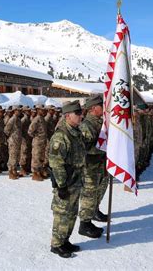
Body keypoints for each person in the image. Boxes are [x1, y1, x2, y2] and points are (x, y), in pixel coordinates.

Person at [48, 100, 86, 258]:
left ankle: (65, 240)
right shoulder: (61, 135)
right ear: (68, 116)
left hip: (76, 180)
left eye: (80, 113)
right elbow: (56, 164)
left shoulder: (75, 132)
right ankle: (56, 244)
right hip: (66, 182)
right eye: (77, 114)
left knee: (71, 213)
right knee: (62, 214)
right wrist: (62, 186)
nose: (80, 116)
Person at [78, 95, 108, 239]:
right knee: (89, 195)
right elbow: (84, 148)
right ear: (93, 108)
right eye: (101, 106)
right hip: (90, 167)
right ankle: (85, 223)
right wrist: (104, 148)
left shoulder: (101, 123)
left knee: (100, 189)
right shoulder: (87, 126)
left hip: (101, 165)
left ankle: (94, 211)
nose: (104, 109)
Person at [28, 104, 48, 181]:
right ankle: (35, 174)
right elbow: (30, 131)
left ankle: (39, 172)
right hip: (37, 142)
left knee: (41, 157)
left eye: (43, 110)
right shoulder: (36, 119)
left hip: (43, 142)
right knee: (36, 157)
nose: (43, 111)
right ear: (38, 110)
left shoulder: (42, 119)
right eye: (41, 110)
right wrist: (36, 137)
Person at [4, 105, 23, 179]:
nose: (20, 111)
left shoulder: (18, 119)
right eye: (18, 110)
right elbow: (6, 130)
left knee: (16, 157)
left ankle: (14, 170)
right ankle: (11, 172)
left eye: (20, 110)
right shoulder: (12, 119)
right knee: (12, 157)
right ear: (15, 111)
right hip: (13, 141)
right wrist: (11, 138)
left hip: (17, 141)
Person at [19, 106, 32, 175]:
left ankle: (26, 167)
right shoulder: (23, 119)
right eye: (27, 110)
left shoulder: (28, 118)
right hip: (23, 139)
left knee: (27, 153)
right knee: (23, 153)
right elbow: (19, 129)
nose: (29, 111)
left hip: (27, 138)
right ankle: (22, 168)